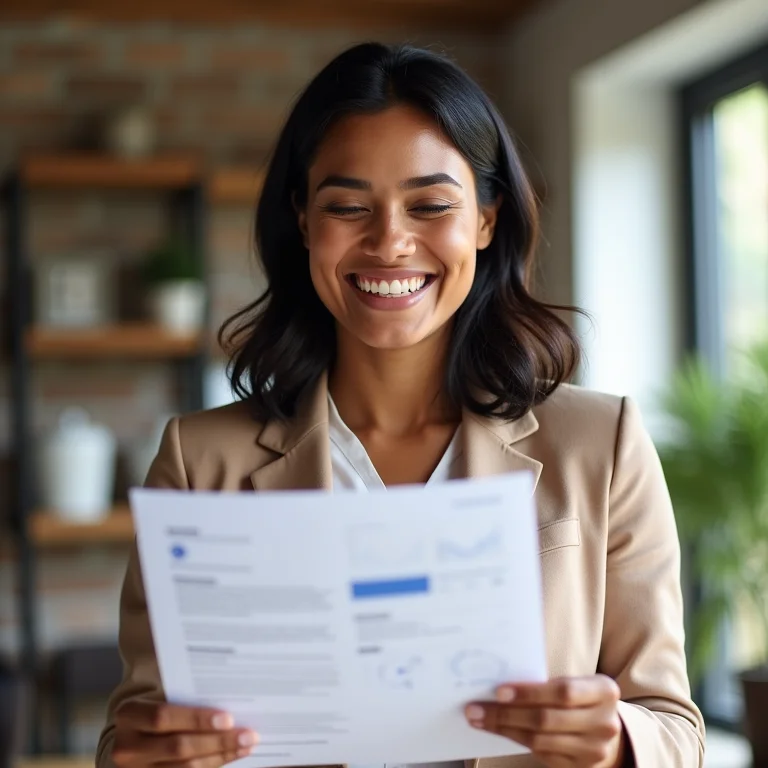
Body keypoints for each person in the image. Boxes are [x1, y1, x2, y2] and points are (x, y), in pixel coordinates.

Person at [97, 43, 705, 768]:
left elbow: (675, 728)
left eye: (430, 205)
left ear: (486, 219)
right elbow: (132, 733)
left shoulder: (601, 445)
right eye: (348, 207)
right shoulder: (199, 464)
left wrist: (617, 742)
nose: (389, 241)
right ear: (303, 220)